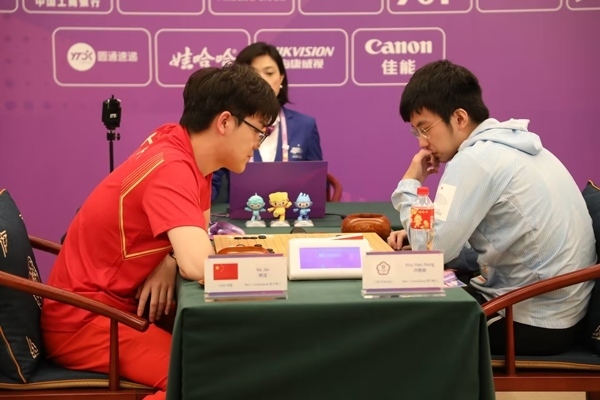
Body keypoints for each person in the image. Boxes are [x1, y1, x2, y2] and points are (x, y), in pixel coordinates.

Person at [40, 63, 280, 399]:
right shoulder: (171, 167)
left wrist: (169, 260)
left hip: (122, 303)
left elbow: (196, 239)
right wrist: (275, 270)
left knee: (230, 350)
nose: (259, 141)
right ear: (225, 122)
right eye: (259, 130)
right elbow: (199, 265)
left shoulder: (184, 147)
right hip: (86, 319)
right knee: (204, 376)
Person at [387, 59, 596, 356]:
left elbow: (430, 254)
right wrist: (421, 235)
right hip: (562, 311)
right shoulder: (516, 145)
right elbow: (500, 242)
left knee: (402, 321)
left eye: (425, 129)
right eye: (416, 132)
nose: (422, 143)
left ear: (459, 118)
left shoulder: (474, 160)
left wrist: (410, 183)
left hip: (530, 320)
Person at [211, 42, 324, 202]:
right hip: (242, 214)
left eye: (269, 73)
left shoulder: (305, 126)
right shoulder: (228, 124)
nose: (262, 80)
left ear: (281, 78)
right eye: (253, 74)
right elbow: (212, 182)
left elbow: (316, 184)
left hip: (291, 214)